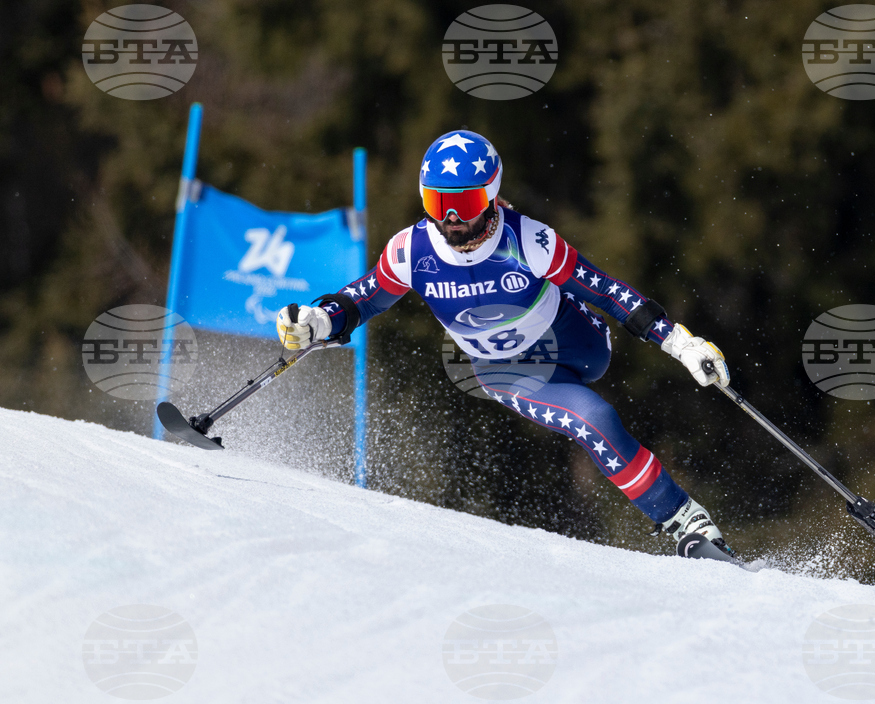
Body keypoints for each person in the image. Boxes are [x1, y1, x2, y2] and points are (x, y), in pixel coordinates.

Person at [276, 130, 735, 554]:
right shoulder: (411, 251)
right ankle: (687, 523)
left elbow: (606, 292)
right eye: (437, 203)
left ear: (492, 195)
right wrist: (321, 319)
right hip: (506, 371)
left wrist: (680, 342)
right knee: (595, 419)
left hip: (576, 344)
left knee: (597, 367)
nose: (452, 219)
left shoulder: (529, 241)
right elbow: (364, 299)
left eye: (466, 202)